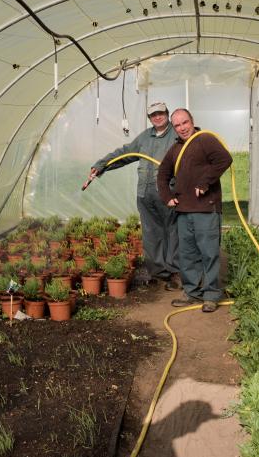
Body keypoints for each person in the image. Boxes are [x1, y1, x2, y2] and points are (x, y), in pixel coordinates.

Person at [87, 101, 180, 289]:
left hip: (167, 192)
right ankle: (159, 273)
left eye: (161, 113)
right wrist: (101, 165)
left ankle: (175, 272)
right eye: (153, 115)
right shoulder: (145, 137)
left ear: (167, 114)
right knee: (151, 234)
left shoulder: (177, 136)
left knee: (173, 232)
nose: (157, 117)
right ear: (150, 118)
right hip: (145, 194)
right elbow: (125, 153)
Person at [156, 108, 233, 313]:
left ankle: (211, 294)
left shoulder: (205, 140)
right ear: (174, 127)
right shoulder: (175, 150)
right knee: (187, 255)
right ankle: (192, 292)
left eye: (185, 122)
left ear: (192, 121)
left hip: (206, 209)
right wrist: (167, 197)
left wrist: (204, 183)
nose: (182, 128)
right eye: (178, 125)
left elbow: (224, 160)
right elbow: (162, 174)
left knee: (209, 253)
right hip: (183, 211)